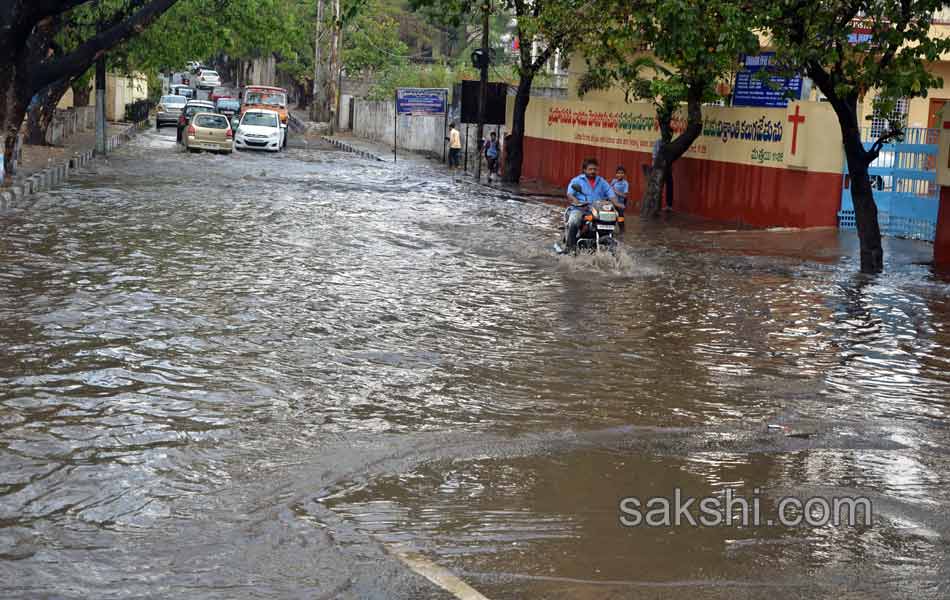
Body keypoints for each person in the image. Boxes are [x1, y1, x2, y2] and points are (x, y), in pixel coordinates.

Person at [564, 158, 616, 250]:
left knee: (612, 221)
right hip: (580, 209)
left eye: (595, 169)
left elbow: (610, 192)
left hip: (597, 210)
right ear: (584, 170)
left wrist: (615, 202)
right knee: (574, 220)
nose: (593, 171)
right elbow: (570, 194)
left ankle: (609, 244)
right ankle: (570, 248)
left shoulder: (601, 181)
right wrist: (576, 201)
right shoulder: (577, 180)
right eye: (590, 169)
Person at [652, 137, 674, 211]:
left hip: (667, 166)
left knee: (669, 184)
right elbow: (654, 156)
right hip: (659, 167)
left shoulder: (671, 143)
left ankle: (669, 205)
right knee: (658, 186)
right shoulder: (658, 142)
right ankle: (655, 205)